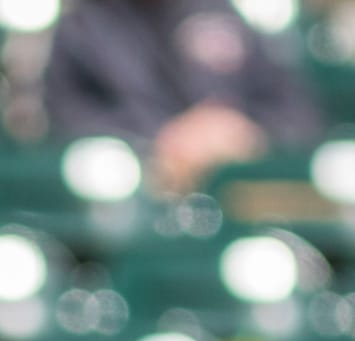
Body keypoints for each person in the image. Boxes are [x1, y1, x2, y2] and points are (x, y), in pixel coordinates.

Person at [42, 0, 325, 196]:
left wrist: (243, 129)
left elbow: (298, 115)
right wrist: (161, 140)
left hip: (238, 204)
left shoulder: (221, 13)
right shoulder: (81, 26)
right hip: (137, 208)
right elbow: (65, 120)